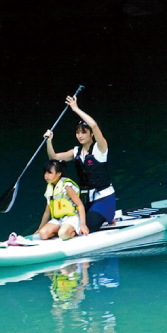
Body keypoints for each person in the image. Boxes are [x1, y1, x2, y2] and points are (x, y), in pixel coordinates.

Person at [43, 95, 115, 233]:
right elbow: (54, 157)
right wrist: (49, 141)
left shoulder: (100, 148)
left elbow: (93, 125)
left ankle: (108, 216)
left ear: (91, 134)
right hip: (86, 199)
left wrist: (75, 109)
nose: (80, 136)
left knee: (88, 225)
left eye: (84, 132)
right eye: (77, 132)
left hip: (104, 199)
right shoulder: (76, 151)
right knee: (75, 222)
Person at [34, 159, 89, 240]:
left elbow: (79, 205)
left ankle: (73, 231)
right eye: (45, 172)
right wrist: (40, 227)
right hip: (57, 220)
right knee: (43, 234)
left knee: (63, 234)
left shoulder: (67, 186)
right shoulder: (50, 187)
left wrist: (83, 224)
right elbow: (47, 211)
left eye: (50, 173)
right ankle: (61, 229)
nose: (46, 176)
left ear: (59, 174)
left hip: (71, 218)